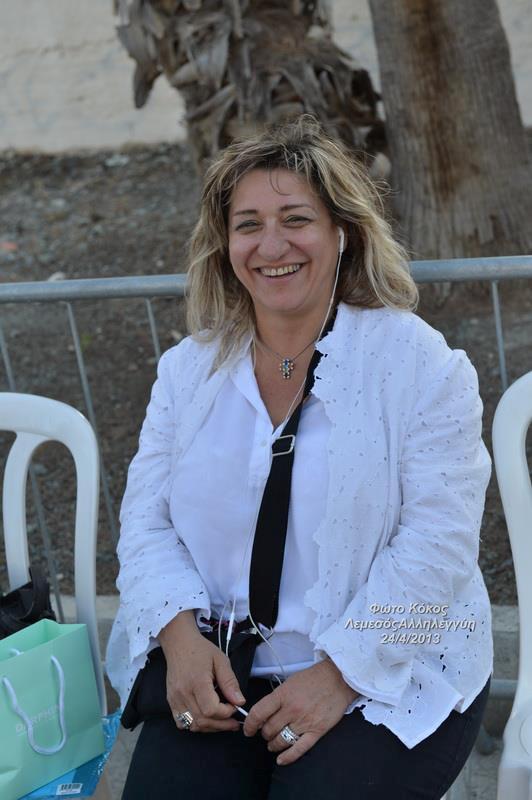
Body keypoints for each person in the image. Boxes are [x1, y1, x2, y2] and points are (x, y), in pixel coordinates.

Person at [106, 116, 493, 799]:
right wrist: (180, 641)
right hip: (220, 668)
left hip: (387, 671)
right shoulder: (187, 372)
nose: (272, 245)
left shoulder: (420, 366)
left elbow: (440, 545)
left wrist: (341, 675)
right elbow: (146, 522)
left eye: (296, 219)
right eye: (248, 224)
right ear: (226, 245)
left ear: (342, 231)